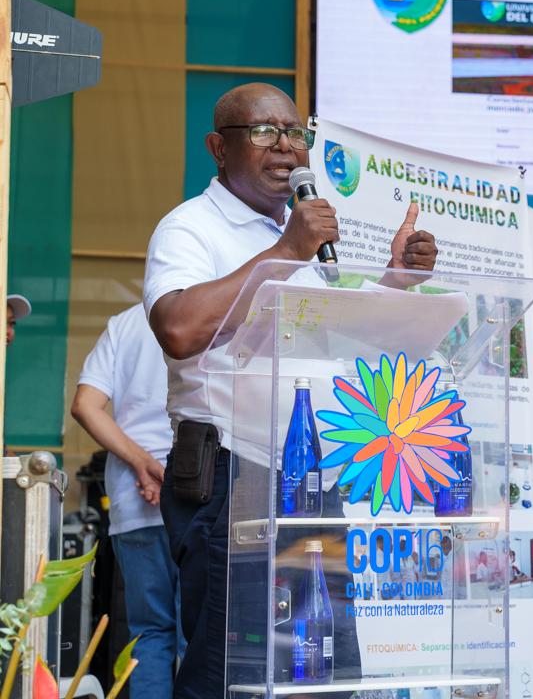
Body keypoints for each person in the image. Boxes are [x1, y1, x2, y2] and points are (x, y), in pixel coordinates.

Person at [145, 83, 439, 699]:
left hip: (309, 475)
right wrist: (284, 251)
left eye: (295, 132)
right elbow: (176, 329)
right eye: (263, 132)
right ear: (217, 148)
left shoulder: (302, 238)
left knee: (322, 663)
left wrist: (397, 282)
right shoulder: (190, 227)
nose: (286, 147)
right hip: (230, 476)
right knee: (231, 669)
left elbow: (332, 339)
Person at [71, 305, 184, 699]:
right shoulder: (218, 314)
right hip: (199, 493)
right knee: (200, 636)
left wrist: (141, 463)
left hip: (132, 503)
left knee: (148, 633)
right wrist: (166, 473)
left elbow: (86, 404)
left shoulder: (125, 323)